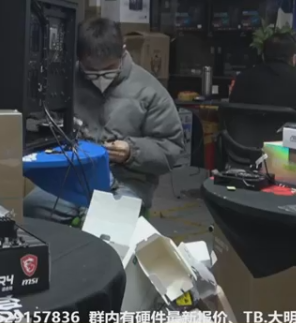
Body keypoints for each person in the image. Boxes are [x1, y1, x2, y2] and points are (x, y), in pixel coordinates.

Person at [23, 18, 185, 223]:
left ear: (123, 51)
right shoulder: (66, 82)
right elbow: (41, 121)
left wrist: (132, 151)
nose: (100, 77)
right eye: (91, 71)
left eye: (108, 69)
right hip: (72, 177)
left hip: (126, 181)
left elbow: (170, 148)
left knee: (102, 225)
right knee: (30, 210)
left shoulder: (150, 91)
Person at [229, 32, 296, 114]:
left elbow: (232, 109)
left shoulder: (242, 78)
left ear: (263, 56)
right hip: (291, 126)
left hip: (249, 126)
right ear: (293, 58)